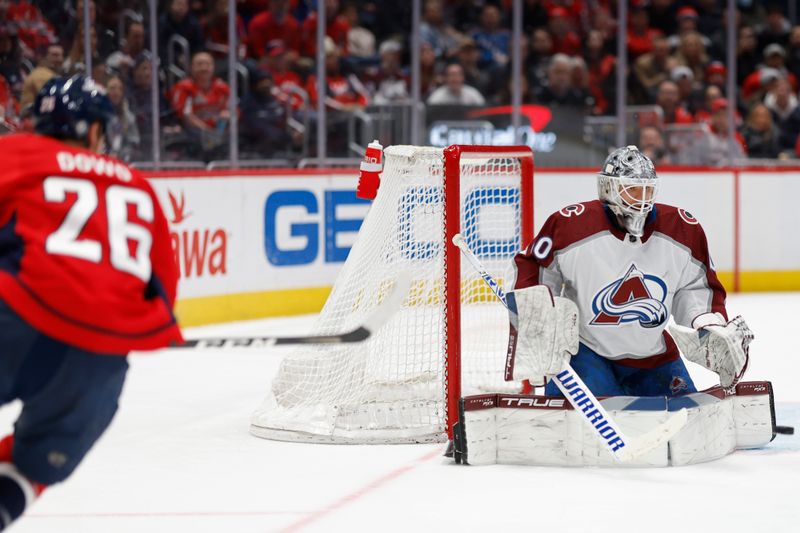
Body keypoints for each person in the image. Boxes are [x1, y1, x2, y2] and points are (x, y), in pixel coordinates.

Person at [0, 75, 182, 530]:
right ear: (98, 131)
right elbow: (162, 290)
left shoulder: (12, 152)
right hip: (97, 356)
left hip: (15, 320)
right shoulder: (138, 186)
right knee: (37, 464)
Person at [508, 146, 752, 398]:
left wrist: (706, 320)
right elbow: (534, 266)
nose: (642, 197)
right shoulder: (571, 225)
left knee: (687, 418)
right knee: (577, 424)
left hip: (653, 357)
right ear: (608, 187)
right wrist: (535, 320)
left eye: (648, 189)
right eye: (633, 189)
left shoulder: (682, 229)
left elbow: (695, 286)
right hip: (588, 354)